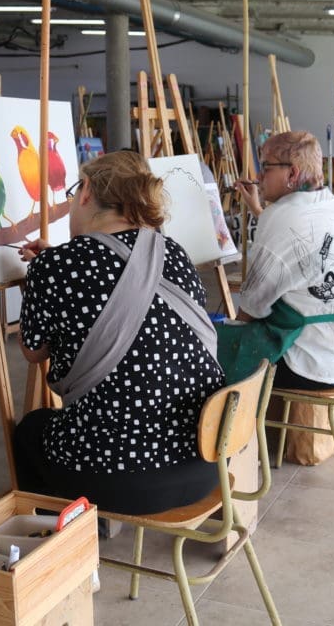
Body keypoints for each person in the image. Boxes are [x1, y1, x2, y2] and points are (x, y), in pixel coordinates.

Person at [13, 152, 223, 514]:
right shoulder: (174, 252)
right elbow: (124, 284)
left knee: (31, 431)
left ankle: (65, 540)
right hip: (204, 462)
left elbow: (34, 351)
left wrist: (43, 275)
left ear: (86, 192)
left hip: (115, 478)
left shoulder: (57, 266)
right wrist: (52, 268)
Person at [229, 130, 334, 392]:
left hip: (307, 365)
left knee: (213, 357)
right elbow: (299, 235)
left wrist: (231, 341)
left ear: (292, 174)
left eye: (266, 167)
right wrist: (259, 210)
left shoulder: (280, 216)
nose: (259, 176)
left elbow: (252, 305)